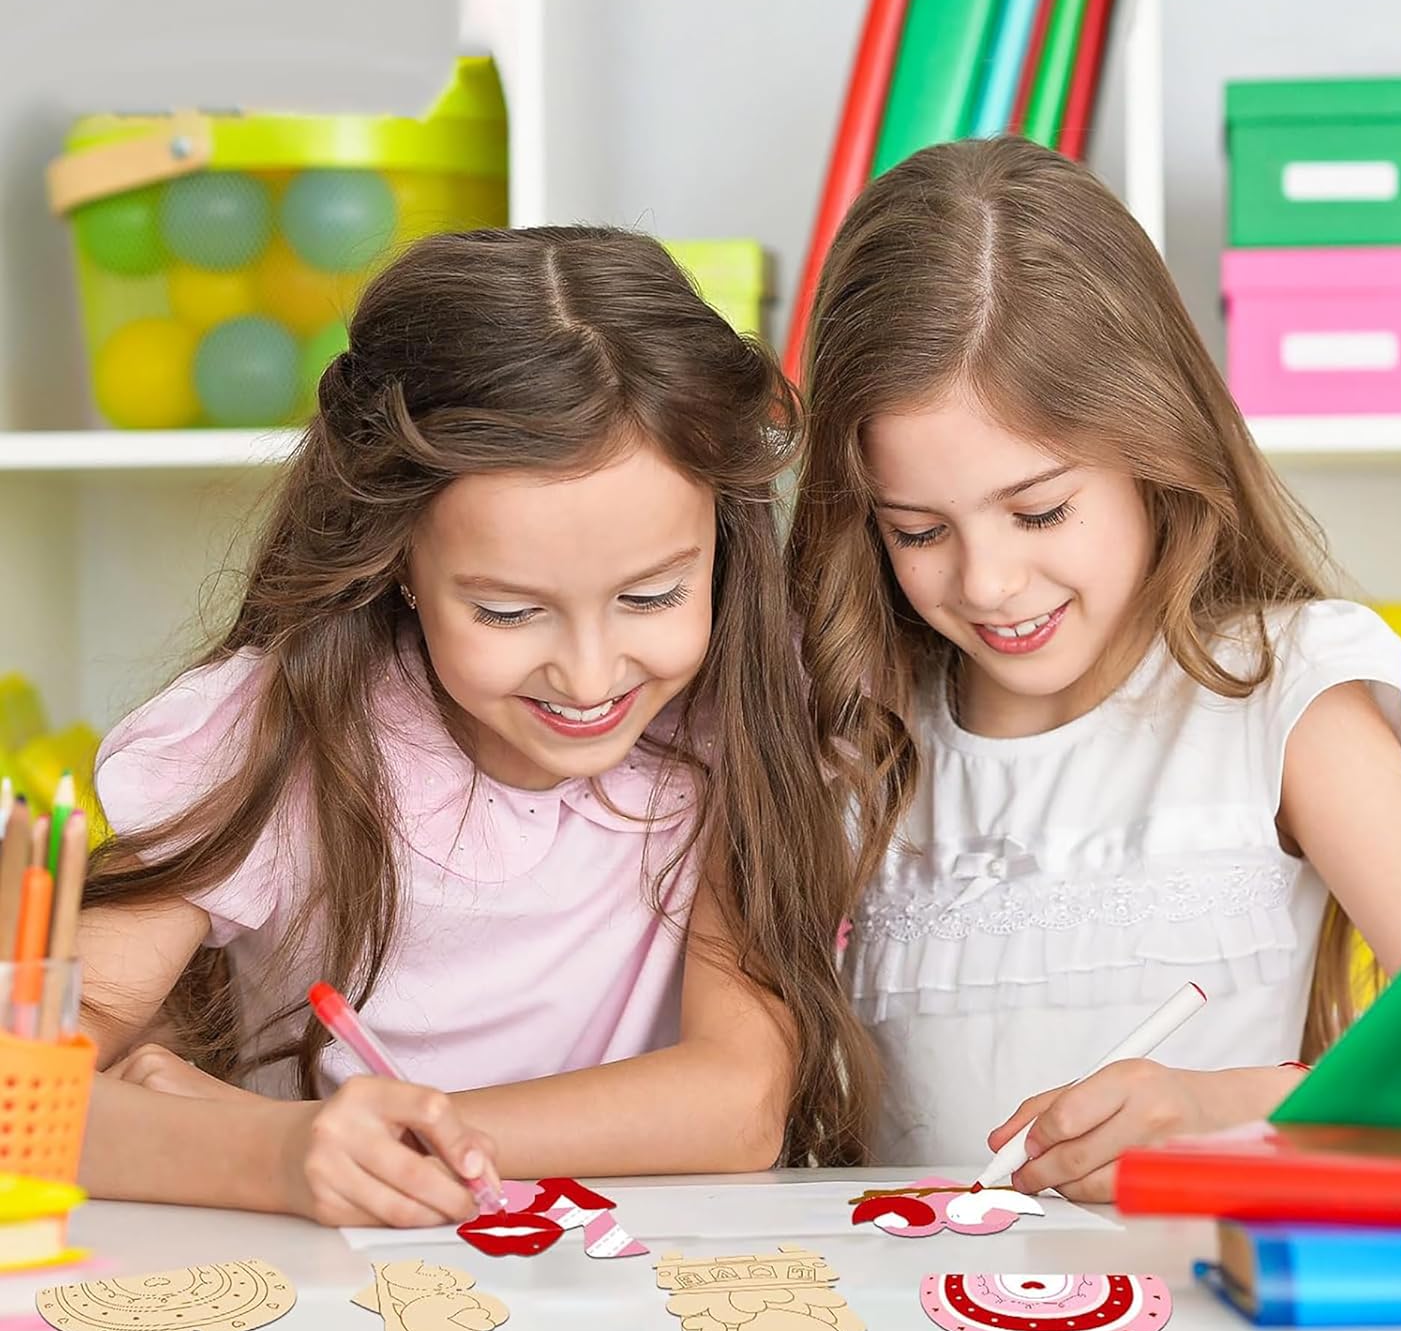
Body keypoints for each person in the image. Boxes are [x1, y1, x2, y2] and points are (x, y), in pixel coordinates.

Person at [80, 227, 875, 1225]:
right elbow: (23, 1092)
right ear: (397, 558)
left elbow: (738, 1103)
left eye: (654, 596)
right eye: (507, 611)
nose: (590, 675)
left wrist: (396, 1138)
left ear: (722, 538)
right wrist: (275, 1154)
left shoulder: (739, 713)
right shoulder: (269, 738)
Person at [788, 137, 1401, 1198]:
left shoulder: (1282, 695)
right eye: (919, 531)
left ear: (1154, 447)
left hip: (1209, 1330)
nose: (990, 582)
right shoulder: (864, 731)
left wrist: (1216, 1110)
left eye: (1040, 510)